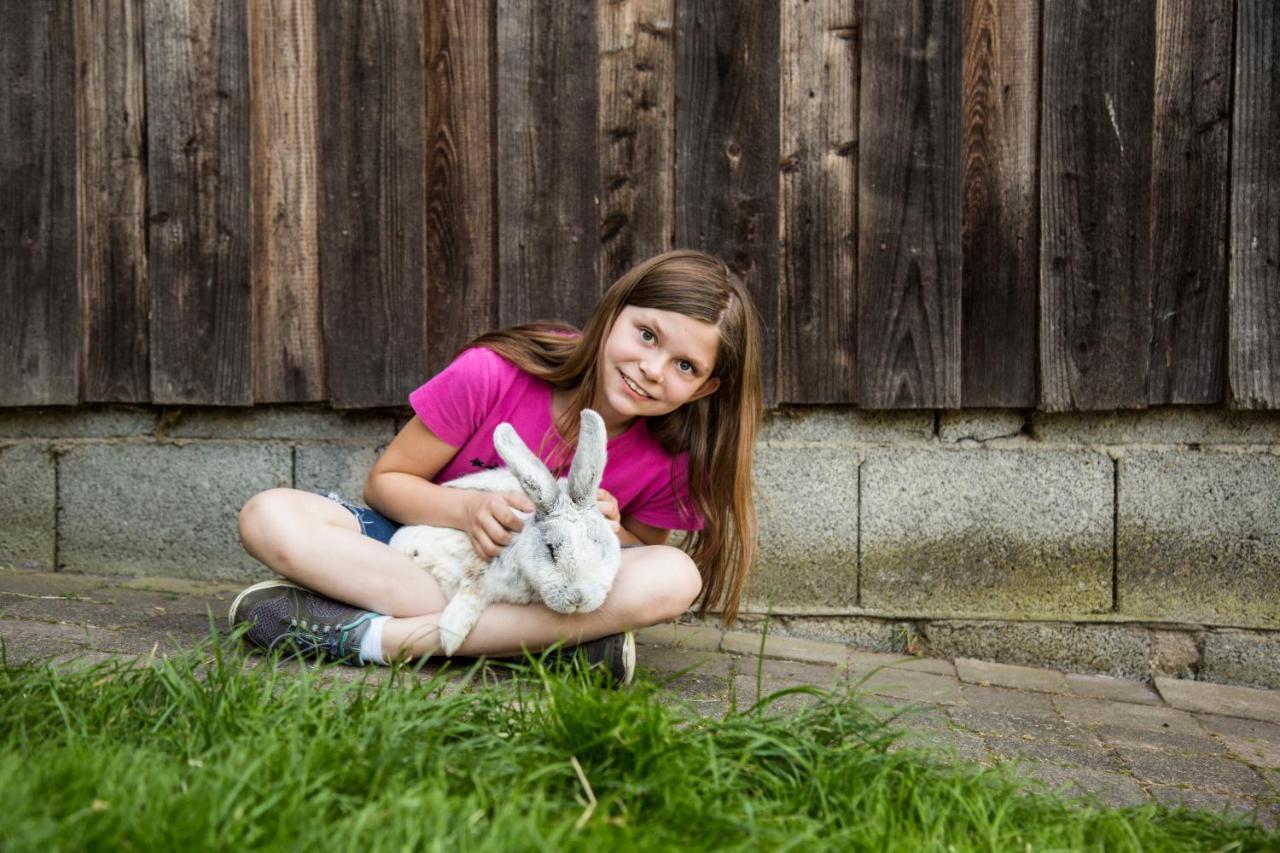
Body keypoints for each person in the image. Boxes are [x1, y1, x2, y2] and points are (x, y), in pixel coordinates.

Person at [229, 249, 763, 686]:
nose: (652, 369)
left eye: (685, 366)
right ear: (614, 312)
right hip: (420, 555)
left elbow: (630, 565)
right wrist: (467, 509)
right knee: (267, 514)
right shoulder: (496, 373)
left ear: (706, 388)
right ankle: (533, 648)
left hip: (535, 590)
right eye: (647, 335)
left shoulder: (671, 459)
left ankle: (383, 641)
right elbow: (385, 484)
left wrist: (613, 530)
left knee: (676, 577)